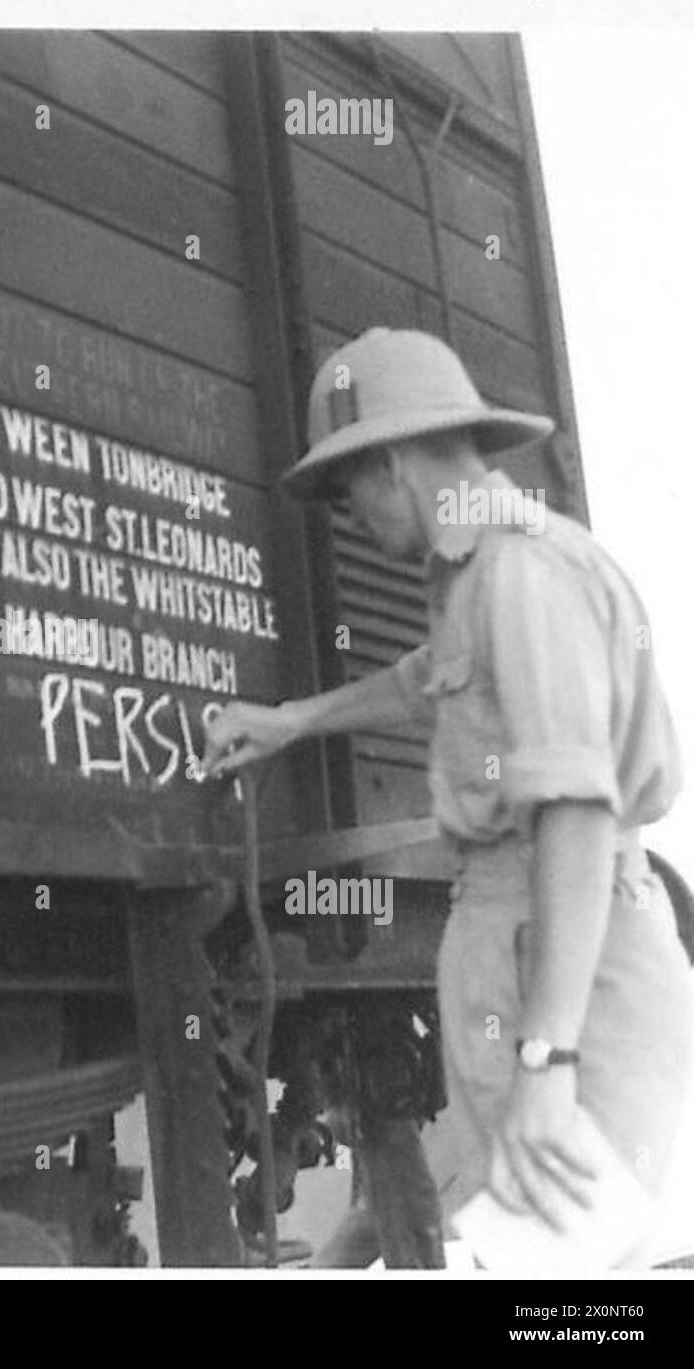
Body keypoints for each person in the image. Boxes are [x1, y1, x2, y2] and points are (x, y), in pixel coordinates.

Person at [203, 328, 692, 1266]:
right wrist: (294, 719)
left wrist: (548, 1062)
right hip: (523, 963)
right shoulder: (478, 579)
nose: (353, 520)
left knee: (536, 1274)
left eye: (348, 496)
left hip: (579, 985)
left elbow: (578, 817)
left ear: (387, 464)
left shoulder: (522, 574)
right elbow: (427, 677)